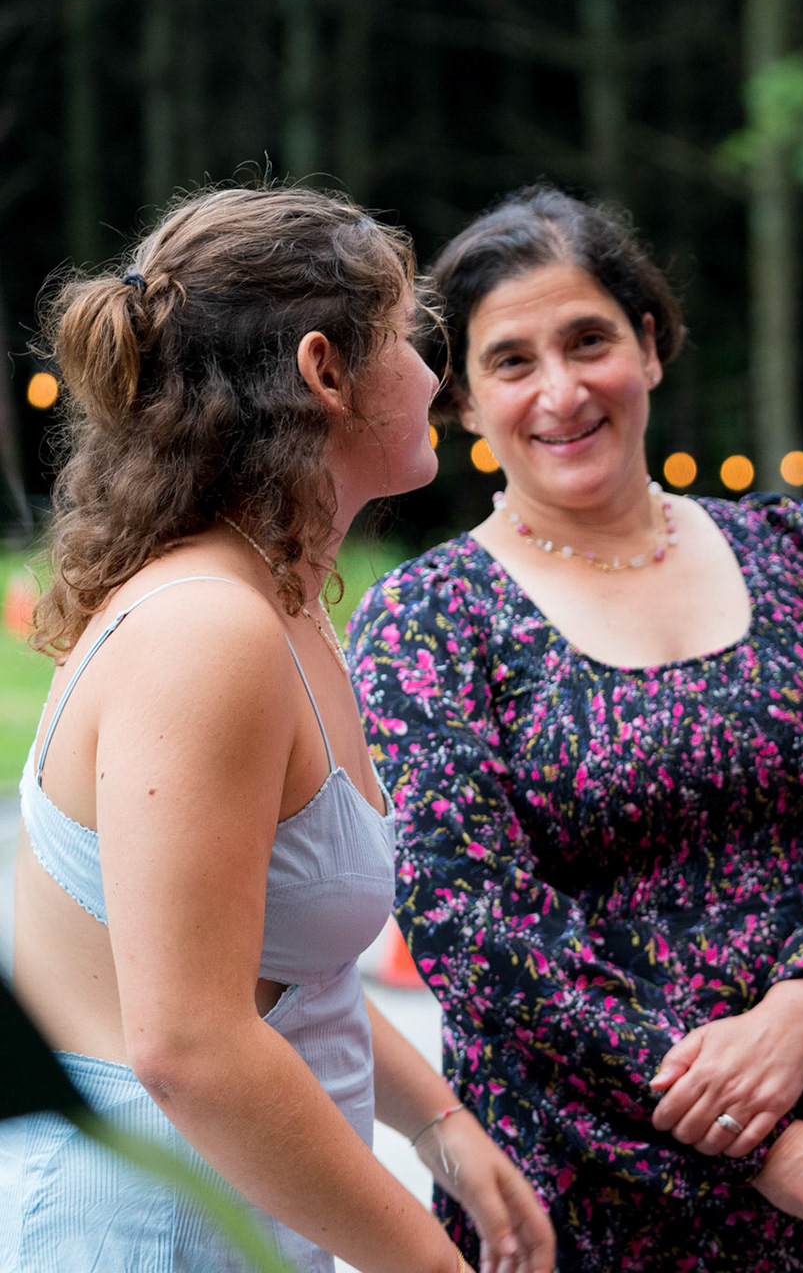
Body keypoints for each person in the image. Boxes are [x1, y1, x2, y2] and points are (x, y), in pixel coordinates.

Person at [347, 185, 803, 1271]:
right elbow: (476, 929)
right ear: (465, 401)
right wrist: (755, 1142)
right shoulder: (431, 615)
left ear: (649, 346)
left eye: (589, 339)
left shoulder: (788, 548)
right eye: (512, 361)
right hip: (592, 1188)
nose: (561, 390)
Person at [0, 186, 554, 1272]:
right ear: (325, 371)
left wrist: (438, 1121)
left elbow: (283, 977)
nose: (436, 376)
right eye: (406, 338)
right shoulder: (206, 629)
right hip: (155, 1229)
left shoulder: (278, 597)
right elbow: (191, 1046)